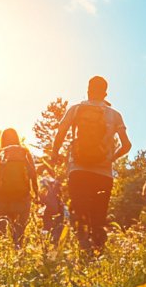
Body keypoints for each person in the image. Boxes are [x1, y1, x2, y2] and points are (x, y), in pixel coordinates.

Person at [48, 76, 130, 252]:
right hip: (103, 174)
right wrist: (111, 159)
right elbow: (126, 145)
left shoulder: (76, 110)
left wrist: (54, 154)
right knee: (98, 218)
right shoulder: (115, 115)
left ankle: (84, 252)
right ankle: (98, 253)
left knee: (81, 215)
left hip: (79, 171)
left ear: (88, 90)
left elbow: (61, 133)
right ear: (105, 93)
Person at [0, 128, 38, 244]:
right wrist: (36, 194)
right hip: (22, 199)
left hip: (2, 200)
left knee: (0, 237)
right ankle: (18, 249)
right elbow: (33, 174)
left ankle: (1, 252)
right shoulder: (24, 152)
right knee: (19, 235)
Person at [38, 173, 66, 244]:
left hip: (49, 209)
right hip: (57, 209)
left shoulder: (44, 183)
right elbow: (60, 196)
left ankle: (47, 241)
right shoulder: (56, 183)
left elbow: (41, 197)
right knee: (56, 226)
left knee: (47, 226)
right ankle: (54, 240)